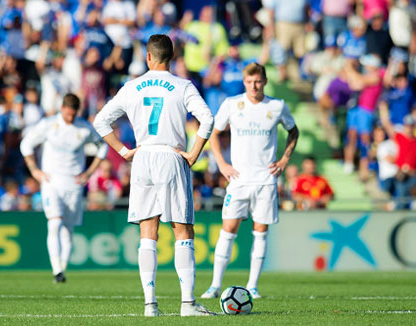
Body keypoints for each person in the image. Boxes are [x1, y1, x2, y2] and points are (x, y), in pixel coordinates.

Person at [94, 34, 215, 317]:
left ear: (148, 57)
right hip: (171, 156)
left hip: (143, 157)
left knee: (148, 232)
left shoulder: (131, 86)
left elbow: (100, 121)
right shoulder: (183, 86)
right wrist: (195, 153)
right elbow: (208, 119)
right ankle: (187, 304)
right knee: (182, 230)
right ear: (171, 57)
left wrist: (123, 151)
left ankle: (150, 305)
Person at [201, 62, 299, 300]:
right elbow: (214, 132)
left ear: (264, 81)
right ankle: (215, 285)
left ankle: (253, 285)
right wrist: (222, 164)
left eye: (257, 81)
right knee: (228, 230)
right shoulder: (232, 104)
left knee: (260, 231)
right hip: (239, 180)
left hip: (265, 180)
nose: (253, 86)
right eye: (249, 82)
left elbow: (293, 131)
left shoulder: (276, 106)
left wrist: (285, 159)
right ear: (244, 82)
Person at [20, 93, 108, 283]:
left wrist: (89, 172)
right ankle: (56, 269)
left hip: (74, 184)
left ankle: (62, 270)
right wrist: (35, 170)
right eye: (67, 114)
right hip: (51, 182)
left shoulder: (83, 128)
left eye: (73, 115)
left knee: (68, 229)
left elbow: (103, 147)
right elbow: (26, 144)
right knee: (54, 223)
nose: (70, 118)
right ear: (62, 109)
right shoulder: (48, 125)